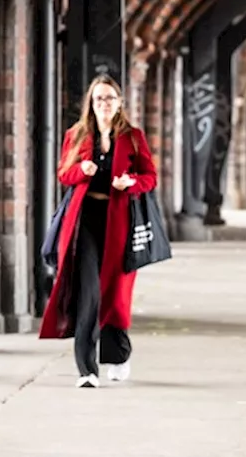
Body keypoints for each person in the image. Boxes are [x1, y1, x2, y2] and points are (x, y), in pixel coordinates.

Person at [39, 76, 158, 388]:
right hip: (84, 221)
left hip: (119, 221)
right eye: (98, 99)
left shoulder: (132, 137)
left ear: (119, 102)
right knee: (88, 292)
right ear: (91, 105)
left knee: (116, 294)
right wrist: (83, 171)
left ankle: (118, 356)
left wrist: (131, 182)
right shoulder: (77, 135)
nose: (104, 104)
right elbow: (64, 174)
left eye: (109, 98)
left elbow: (150, 177)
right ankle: (87, 369)